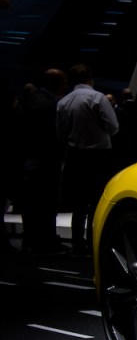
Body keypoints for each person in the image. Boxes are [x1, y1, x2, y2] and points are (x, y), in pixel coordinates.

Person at [56, 63, 119, 255]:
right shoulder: (97, 97)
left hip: (75, 156)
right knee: (97, 202)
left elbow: (60, 132)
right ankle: (94, 242)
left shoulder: (63, 102)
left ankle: (77, 243)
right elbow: (113, 126)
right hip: (99, 156)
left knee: (78, 204)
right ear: (90, 78)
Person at [14, 68, 68, 254]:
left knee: (32, 203)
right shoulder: (48, 105)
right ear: (56, 84)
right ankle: (46, 242)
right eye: (63, 82)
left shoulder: (31, 101)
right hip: (45, 160)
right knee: (46, 203)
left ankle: (31, 239)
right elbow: (52, 136)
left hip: (30, 159)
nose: (65, 86)